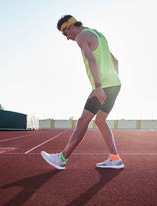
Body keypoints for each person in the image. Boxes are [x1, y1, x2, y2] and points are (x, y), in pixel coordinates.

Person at [41, 15, 124, 170]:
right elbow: (115, 61)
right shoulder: (98, 34)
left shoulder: (81, 37)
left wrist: (99, 86)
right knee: (100, 120)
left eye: (65, 34)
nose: (67, 38)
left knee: (83, 120)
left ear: (70, 26)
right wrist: (113, 81)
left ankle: (62, 158)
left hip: (103, 85)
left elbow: (92, 60)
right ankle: (115, 158)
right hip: (115, 84)